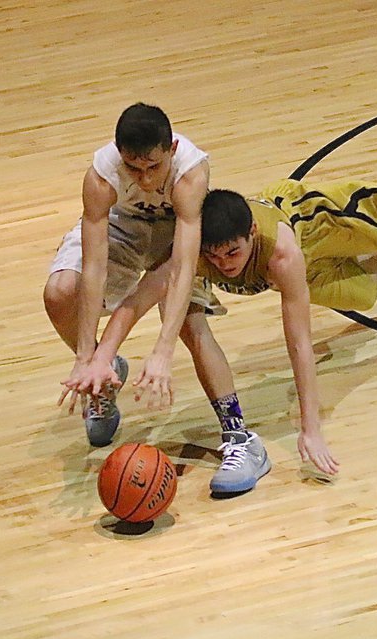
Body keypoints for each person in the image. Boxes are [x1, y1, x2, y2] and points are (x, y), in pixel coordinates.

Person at [44, 103, 269, 495]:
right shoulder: (100, 176)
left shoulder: (190, 173)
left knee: (189, 323)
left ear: (171, 149)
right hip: (123, 228)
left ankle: (240, 438)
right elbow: (95, 267)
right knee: (61, 292)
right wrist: (85, 355)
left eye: (153, 167)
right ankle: (104, 374)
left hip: (175, 233)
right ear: (119, 155)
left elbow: (182, 267)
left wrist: (162, 352)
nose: (145, 179)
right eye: (133, 169)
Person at [197, 178, 377, 476]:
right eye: (214, 257)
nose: (223, 264)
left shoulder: (282, 255)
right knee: (360, 298)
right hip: (298, 262)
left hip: (311, 224)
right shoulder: (194, 252)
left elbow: (299, 343)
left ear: (252, 232)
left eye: (232, 253)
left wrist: (311, 429)